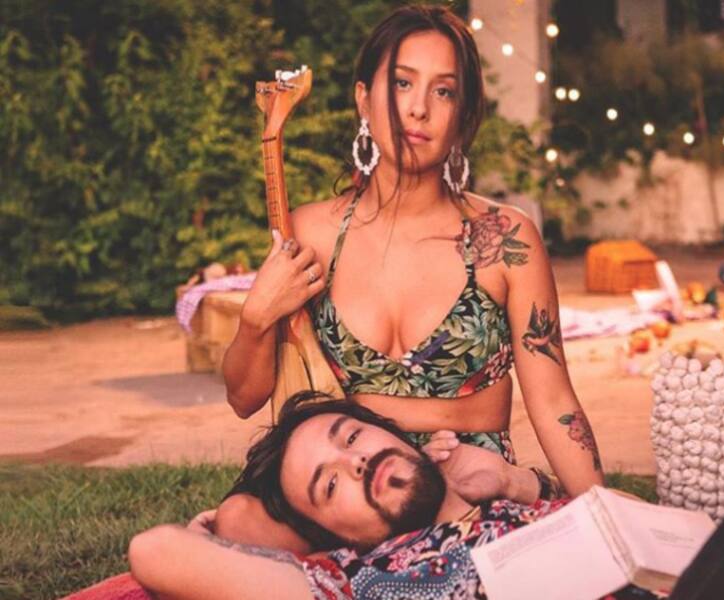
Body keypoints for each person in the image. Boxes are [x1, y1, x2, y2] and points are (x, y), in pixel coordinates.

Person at [219, 4, 603, 551]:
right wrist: (257, 317)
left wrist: (603, 514)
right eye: (402, 83)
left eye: (444, 91)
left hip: (465, 487)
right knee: (235, 519)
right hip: (354, 496)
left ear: (463, 114)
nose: (419, 108)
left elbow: (553, 400)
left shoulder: (505, 241)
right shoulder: (311, 233)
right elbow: (244, 399)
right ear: (363, 99)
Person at [129, 394, 651, 600]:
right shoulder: (362, 580)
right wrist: (212, 538)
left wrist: (517, 482)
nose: (354, 462)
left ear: (400, 437)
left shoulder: (513, 498)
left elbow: (640, 527)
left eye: (352, 436)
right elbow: (155, 551)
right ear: (336, 538)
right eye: (330, 485)